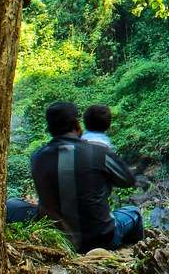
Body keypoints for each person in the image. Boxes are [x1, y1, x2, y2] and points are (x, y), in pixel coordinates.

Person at [30, 101, 143, 252]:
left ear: (49, 129)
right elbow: (127, 180)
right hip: (102, 238)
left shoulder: (37, 158)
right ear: (77, 125)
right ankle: (131, 254)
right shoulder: (98, 152)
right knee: (134, 213)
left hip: (60, 242)